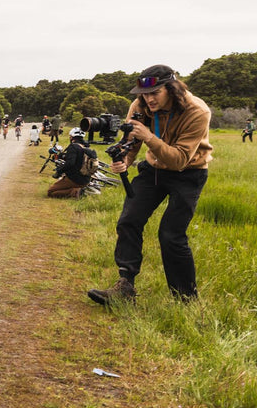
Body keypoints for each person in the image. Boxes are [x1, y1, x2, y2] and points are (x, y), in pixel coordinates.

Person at [88, 65, 213, 305]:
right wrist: (124, 161)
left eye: (155, 92)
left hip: (189, 173)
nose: (149, 99)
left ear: (172, 88)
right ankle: (125, 287)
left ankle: (185, 300)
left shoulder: (196, 110)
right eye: (144, 94)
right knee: (128, 221)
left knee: (171, 235)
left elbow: (178, 160)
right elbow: (130, 142)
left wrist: (148, 137)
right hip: (153, 169)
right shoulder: (140, 106)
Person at [46, 128, 100, 198]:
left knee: (50, 192)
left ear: (71, 137)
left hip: (74, 179)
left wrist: (59, 171)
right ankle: (79, 190)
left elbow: (70, 163)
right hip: (86, 179)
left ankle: (76, 192)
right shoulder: (86, 147)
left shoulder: (73, 147)